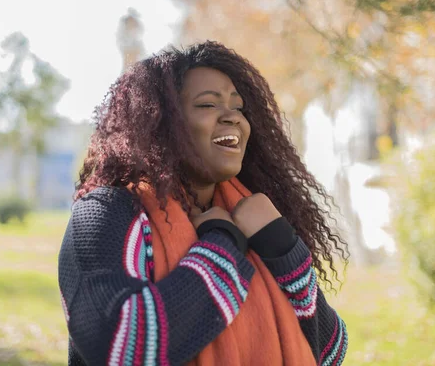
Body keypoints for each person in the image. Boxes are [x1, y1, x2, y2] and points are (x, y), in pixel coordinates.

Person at [58, 41, 349, 366]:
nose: (232, 118)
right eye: (208, 105)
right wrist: (222, 244)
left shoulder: (254, 219)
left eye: (238, 107)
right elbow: (119, 346)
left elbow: (329, 351)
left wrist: (283, 247)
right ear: (161, 124)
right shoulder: (108, 212)